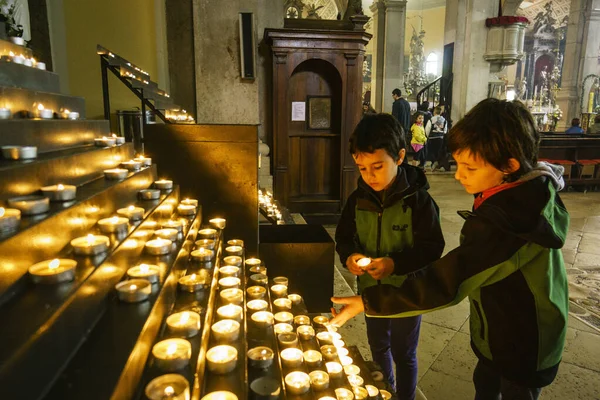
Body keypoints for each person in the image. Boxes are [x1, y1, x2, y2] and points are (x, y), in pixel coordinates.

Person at [331, 98, 569, 400]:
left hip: (524, 343)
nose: (458, 175)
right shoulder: (510, 195)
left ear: (509, 166)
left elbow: (448, 280)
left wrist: (368, 301)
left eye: (469, 167)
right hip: (496, 334)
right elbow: (346, 236)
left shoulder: (515, 220)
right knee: (485, 384)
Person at [335, 113, 444, 399]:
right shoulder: (357, 199)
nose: (369, 176)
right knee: (378, 346)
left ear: (400, 156)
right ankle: (386, 390)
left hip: (408, 293)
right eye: (362, 167)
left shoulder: (418, 201)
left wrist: (395, 264)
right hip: (369, 292)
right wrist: (349, 257)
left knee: (404, 352)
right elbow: (344, 237)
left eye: (377, 166)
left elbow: (433, 247)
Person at [425, 106, 447, 171]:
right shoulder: (444, 120)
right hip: (440, 138)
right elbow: (445, 130)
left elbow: (427, 129)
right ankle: (437, 164)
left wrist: (427, 136)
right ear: (440, 112)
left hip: (432, 137)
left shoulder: (431, 119)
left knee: (431, 151)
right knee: (438, 151)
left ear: (434, 112)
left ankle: (431, 163)